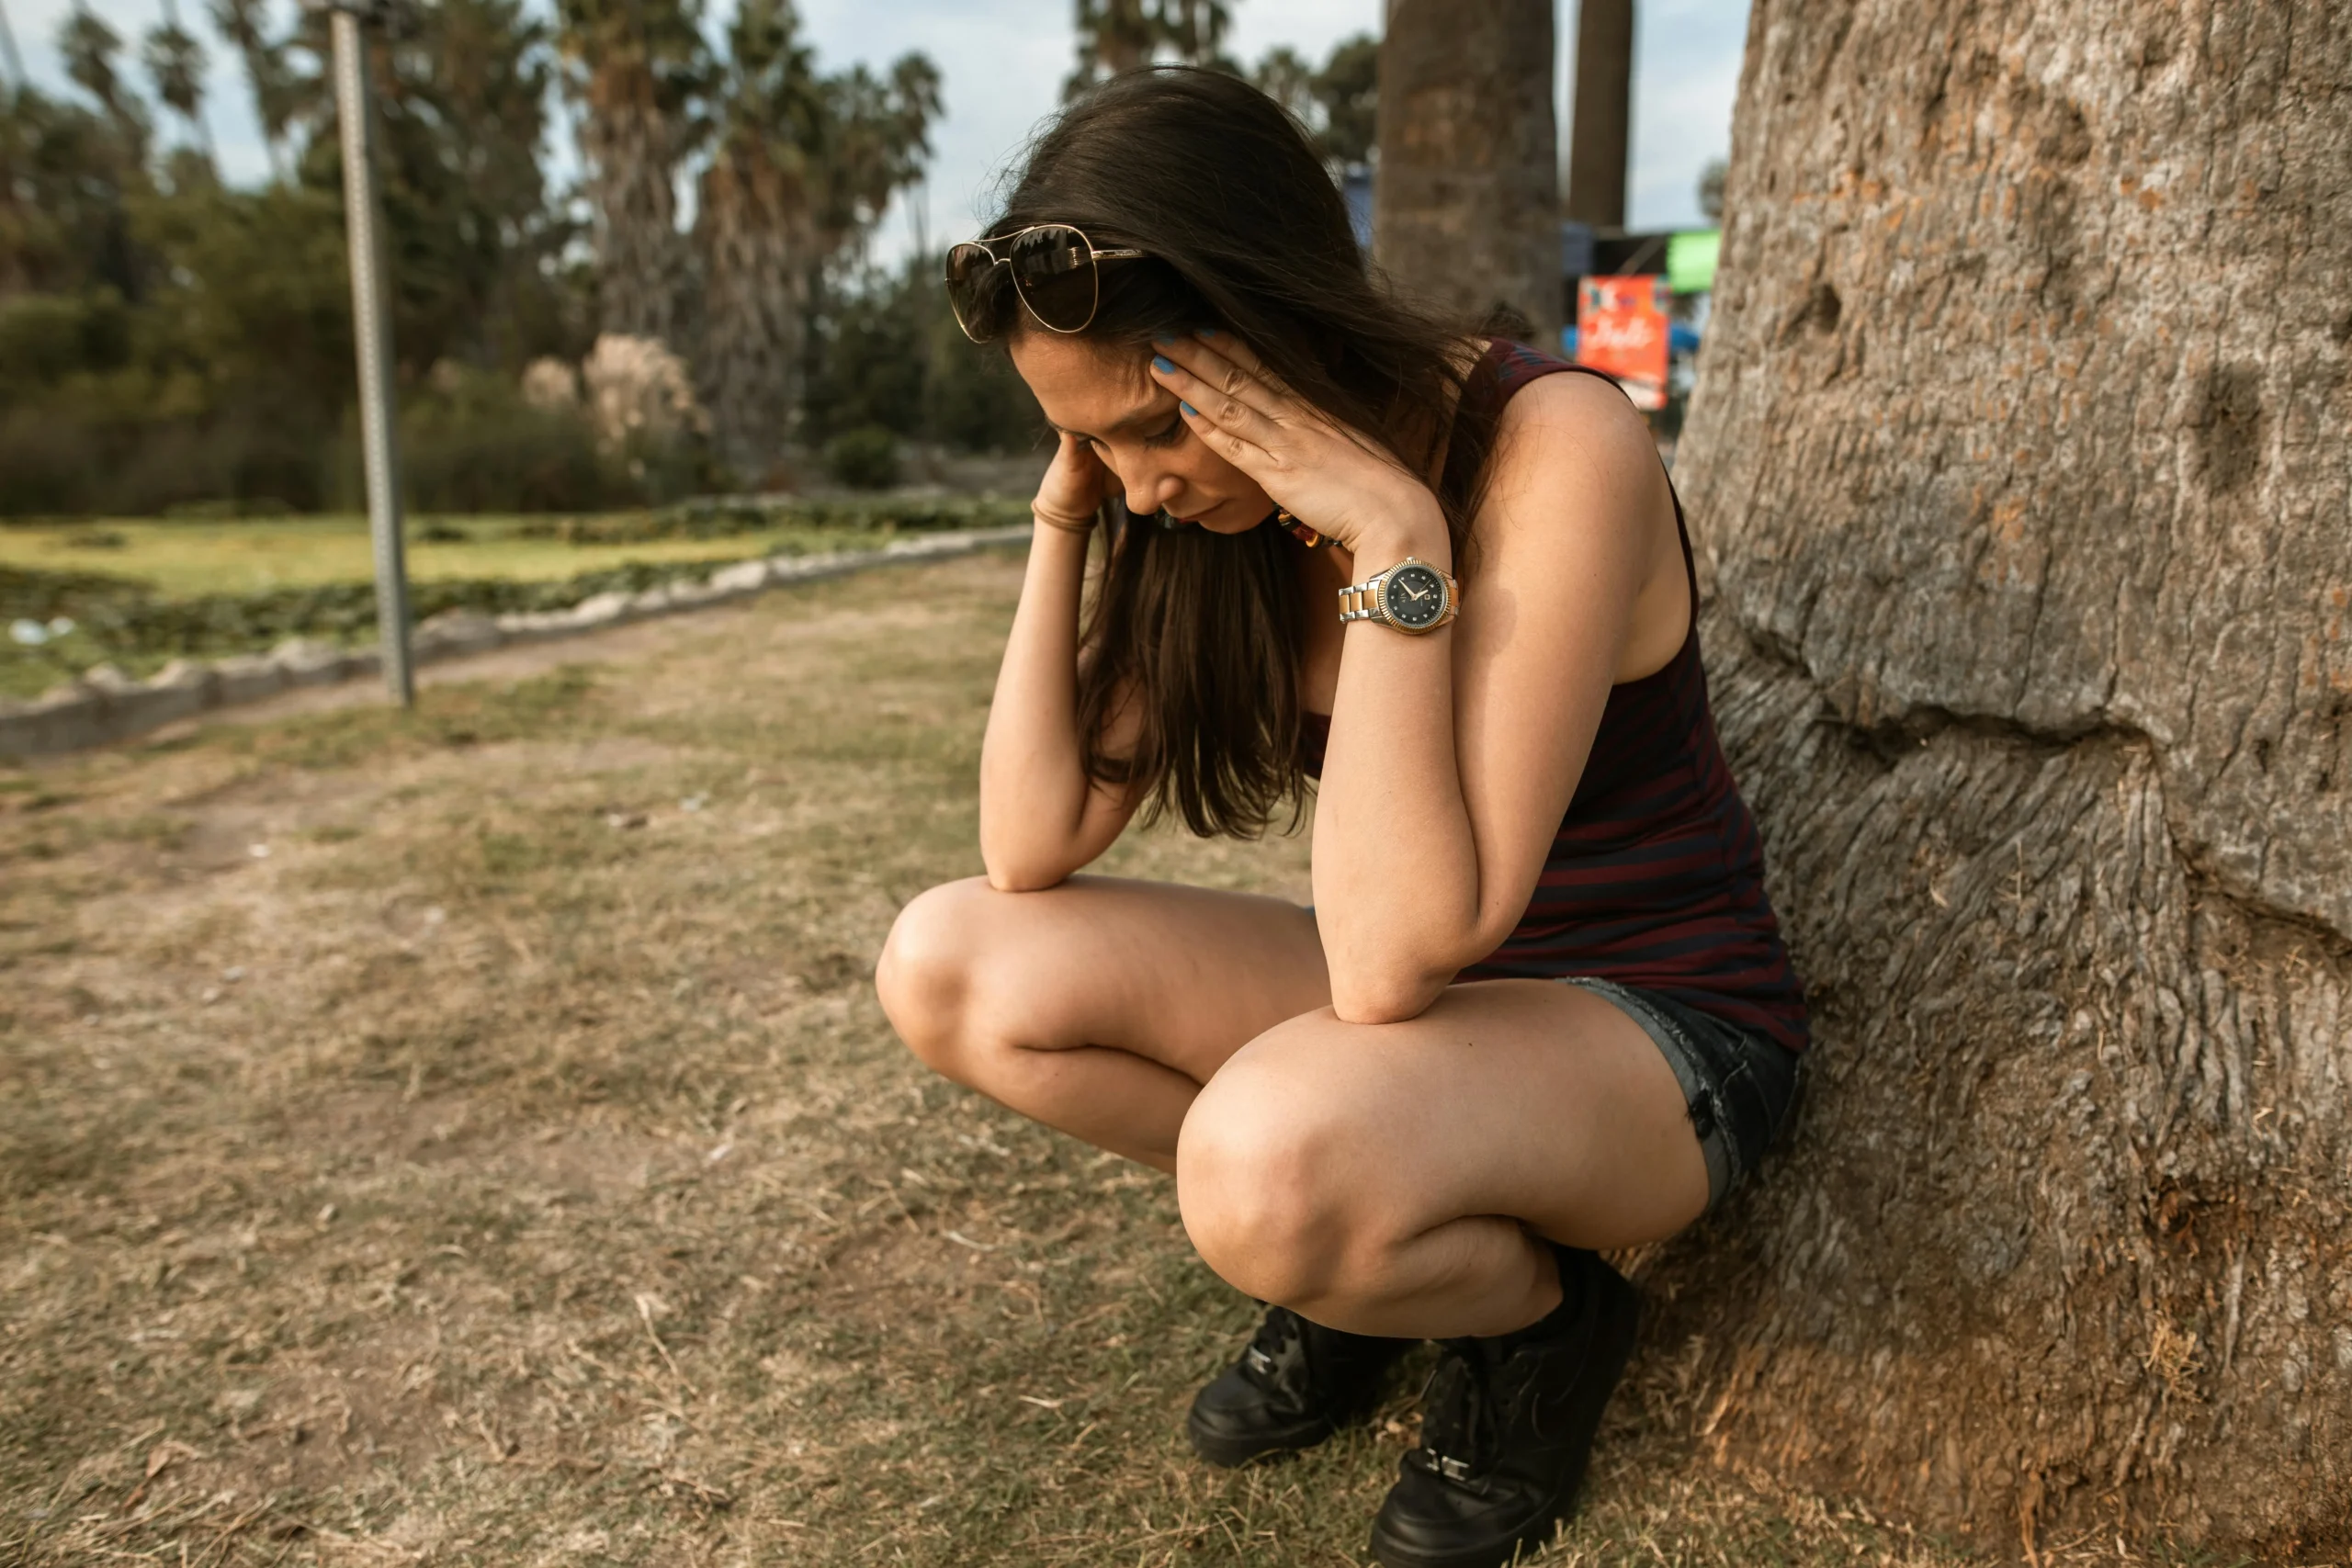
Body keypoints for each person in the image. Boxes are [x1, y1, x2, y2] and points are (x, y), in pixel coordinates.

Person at [876, 66, 1806, 1568]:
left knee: (1261, 1165)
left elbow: (1391, 959)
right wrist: (1067, 517)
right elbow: (1027, 845)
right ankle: (1364, 1258)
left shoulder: (1555, 446)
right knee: (951, 962)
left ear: (1267, 329)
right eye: (1091, 441)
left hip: (1655, 1020)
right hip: (1431, 1019)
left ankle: (1538, 1322)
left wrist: (1393, 535)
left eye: (1147, 430)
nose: (1143, 484)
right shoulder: (1190, 507)